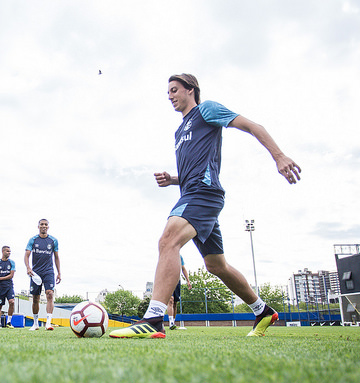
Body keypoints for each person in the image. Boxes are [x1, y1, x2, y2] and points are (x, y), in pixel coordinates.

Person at [111, 73, 301, 339]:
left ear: (191, 90)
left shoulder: (206, 110)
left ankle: (153, 319)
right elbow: (195, 166)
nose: (170, 96)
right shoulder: (179, 131)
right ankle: (263, 311)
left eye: (174, 90)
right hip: (193, 193)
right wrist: (174, 179)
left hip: (205, 193)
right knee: (216, 265)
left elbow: (252, 125)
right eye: (168, 93)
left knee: (168, 240)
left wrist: (279, 157)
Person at [24, 219, 61, 331]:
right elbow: (26, 255)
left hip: (49, 271)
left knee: (50, 294)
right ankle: (35, 324)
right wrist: (28, 268)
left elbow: (56, 257)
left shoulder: (53, 240)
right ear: (38, 226)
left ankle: (48, 323)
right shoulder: (33, 240)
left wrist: (59, 272)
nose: (44, 226)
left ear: (48, 227)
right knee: (35, 298)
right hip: (36, 273)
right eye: (42, 224)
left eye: (46, 224)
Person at [0, 246, 16, 328]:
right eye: (7, 251)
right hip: (0, 287)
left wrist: (0, 278)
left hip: (9, 285)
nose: (9, 253)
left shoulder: (11, 262)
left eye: (10, 251)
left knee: (12, 302)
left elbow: (11, 275)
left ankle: (9, 322)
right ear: (3, 251)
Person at [168, 256, 190, 330]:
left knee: (175, 303)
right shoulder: (166, 255)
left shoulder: (180, 257)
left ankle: (173, 322)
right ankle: (171, 322)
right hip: (168, 281)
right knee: (171, 300)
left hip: (177, 281)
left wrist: (188, 280)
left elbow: (183, 269)